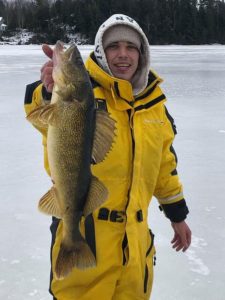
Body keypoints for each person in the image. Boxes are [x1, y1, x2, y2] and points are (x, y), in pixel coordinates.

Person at [24, 14, 191, 300]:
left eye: (131, 47)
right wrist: (47, 90)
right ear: (101, 51)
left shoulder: (155, 106)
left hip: (135, 250)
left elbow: (164, 165)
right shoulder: (83, 95)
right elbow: (40, 117)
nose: (123, 54)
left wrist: (177, 215)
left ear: (142, 53)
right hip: (88, 235)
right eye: (114, 47)